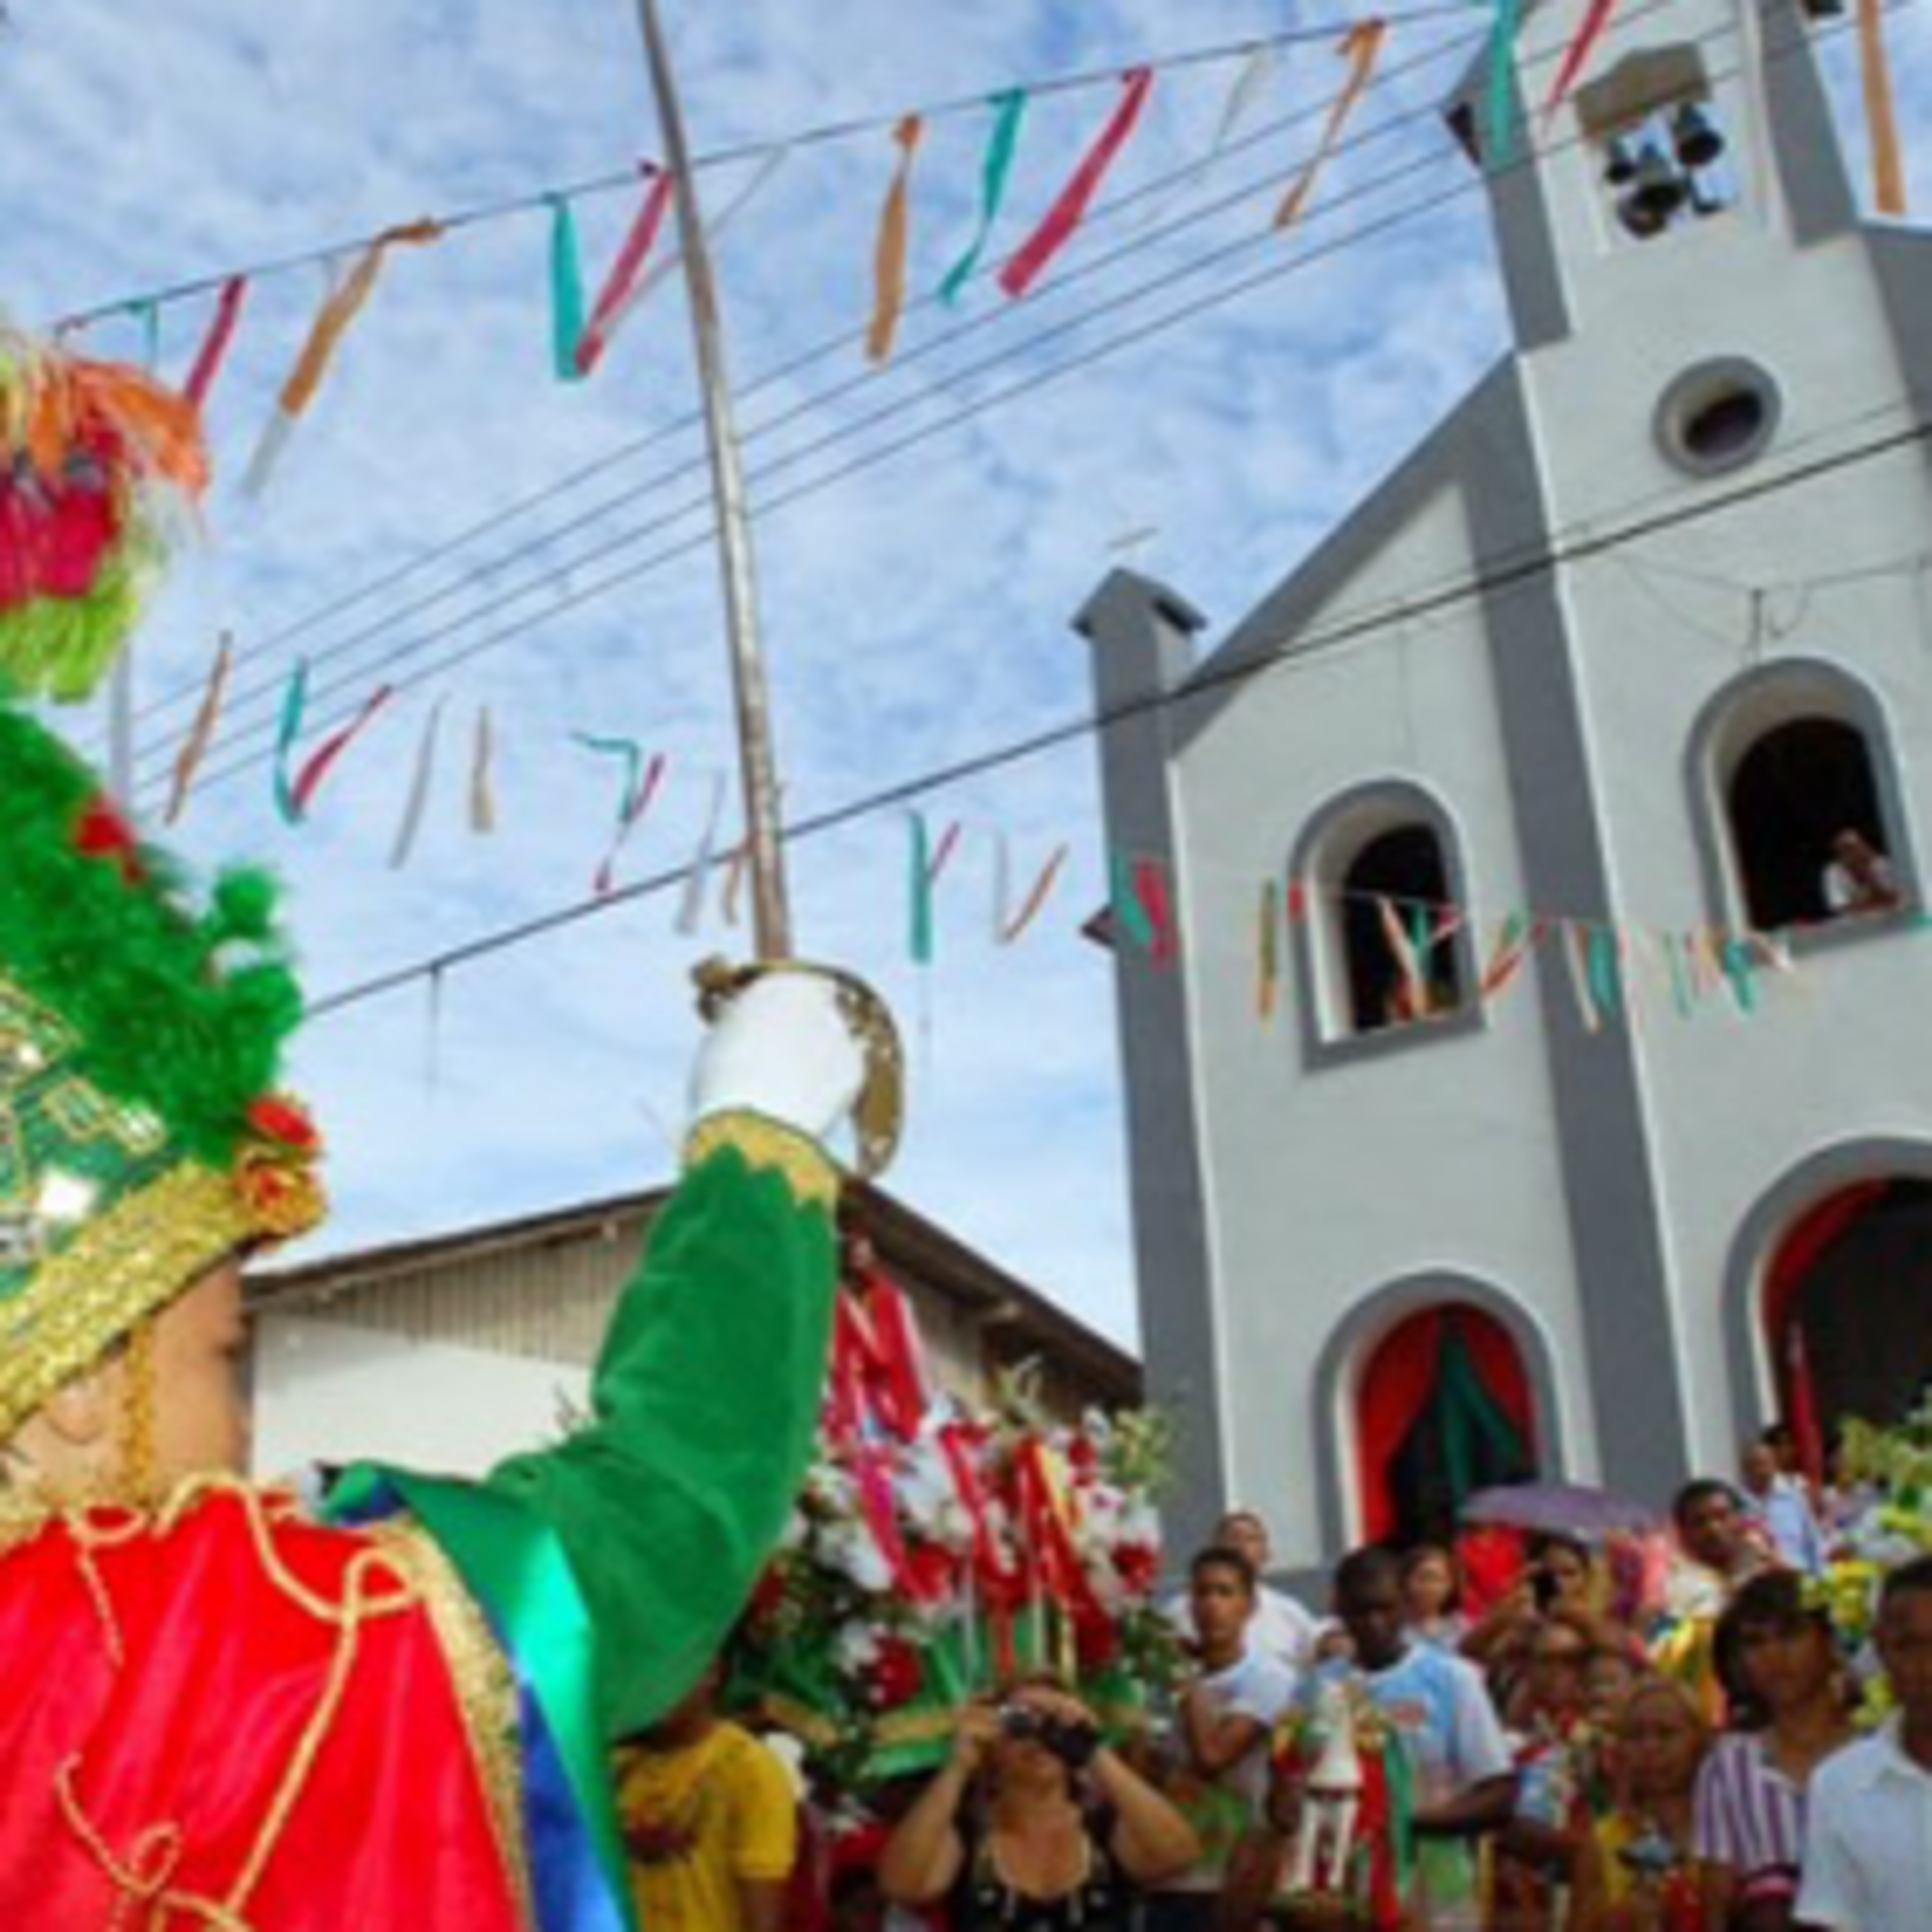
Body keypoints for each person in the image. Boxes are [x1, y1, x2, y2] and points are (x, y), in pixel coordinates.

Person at [0, 689, 891, 1918]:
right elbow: (647, 1529)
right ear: (84, 1384)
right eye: (224, 1357)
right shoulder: (150, 1667)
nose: (247, 1433)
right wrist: (762, 1150)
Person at [1227, 1544, 1514, 1931]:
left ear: (1405, 1605)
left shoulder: (1452, 1679)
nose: (1374, 1622)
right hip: (1335, 1898)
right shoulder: (1317, 1685)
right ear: (1339, 1610)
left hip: (1431, 1891)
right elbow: (1284, 1775)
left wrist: (1400, 1823)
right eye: (1360, 1611)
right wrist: (1286, 1803)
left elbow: (1498, 1793)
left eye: (1386, 1608)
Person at [876, 1676, 1199, 1930]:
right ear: (993, 1738)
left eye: (1052, 1723)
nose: (1039, 1738)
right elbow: (902, 1886)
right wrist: (958, 1765)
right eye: (1020, 1723)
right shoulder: (968, 1833)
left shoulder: (1104, 1827)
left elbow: (1178, 1855)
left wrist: (1094, 1751)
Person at [1145, 1546, 1298, 1930]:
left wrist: (1185, 1679)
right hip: (1166, 1869)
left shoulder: (1268, 1678)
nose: (1211, 1604)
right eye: (1202, 1592)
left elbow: (1212, 1759)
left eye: (1225, 1592)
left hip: (1233, 1877)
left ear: (1249, 1605)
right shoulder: (1161, 1679)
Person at [1694, 1571, 1855, 1931]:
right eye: (1755, 1641)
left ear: (1829, 1642)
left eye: (1790, 1634)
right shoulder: (1728, 1766)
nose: (1773, 1654)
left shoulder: (1879, 1754)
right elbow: (1718, 1903)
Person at [1795, 1555, 1932, 1931]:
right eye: (1908, 1646)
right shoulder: (1841, 1785)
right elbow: (1829, 1917)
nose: (1927, 1667)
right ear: (1882, 1650)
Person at [615, 1655, 799, 1931]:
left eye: (669, 1674)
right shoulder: (612, 1764)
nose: (656, 1691)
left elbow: (762, 1911)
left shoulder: (748, 1768)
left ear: (711, 1672)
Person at [1571, 1676, 1709, 1930]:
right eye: (1635, 1736)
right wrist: (1621, 1918)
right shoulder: (1602, 1843)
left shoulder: (1725, 1834)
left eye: (1666, 1733)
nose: (1650, 1747)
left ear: (1698, 1743)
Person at [1166, 1507, 1320, 1669]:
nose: (1241, 1546)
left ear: (1266, 1553)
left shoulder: (1290, 1614)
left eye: (1251, 1539)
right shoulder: (1178, 1612)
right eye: (1233, 1538)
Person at [1739, 1437, 1826, 1576]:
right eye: (1755, 1464)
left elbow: (1812, 1539)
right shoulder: (1736, 1503)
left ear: (1775, 1465)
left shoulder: (1794, 1498)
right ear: (1745, 1468)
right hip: (1758, 1581)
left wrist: (1820, 1574)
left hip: (1797, 1574)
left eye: (1766, 1463)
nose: (1762, 1470)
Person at [1402, 1542, 1470, 1651]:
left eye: (1438, 1580)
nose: (1430, 1587)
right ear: (1406, 1581)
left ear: (1451, 1585)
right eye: (1423, 1578)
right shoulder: (1396, 1627)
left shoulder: (1461, 1628)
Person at [1821, 827, 1900, 917]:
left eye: (1854, 848)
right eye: (1845, 850)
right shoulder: (1833, 872)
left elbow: (1895, 897)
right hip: (1857, 923)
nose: (1851, 853)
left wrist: (1870, 875)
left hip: (1891, 917)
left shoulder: (1881, 864)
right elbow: (1841, 906)